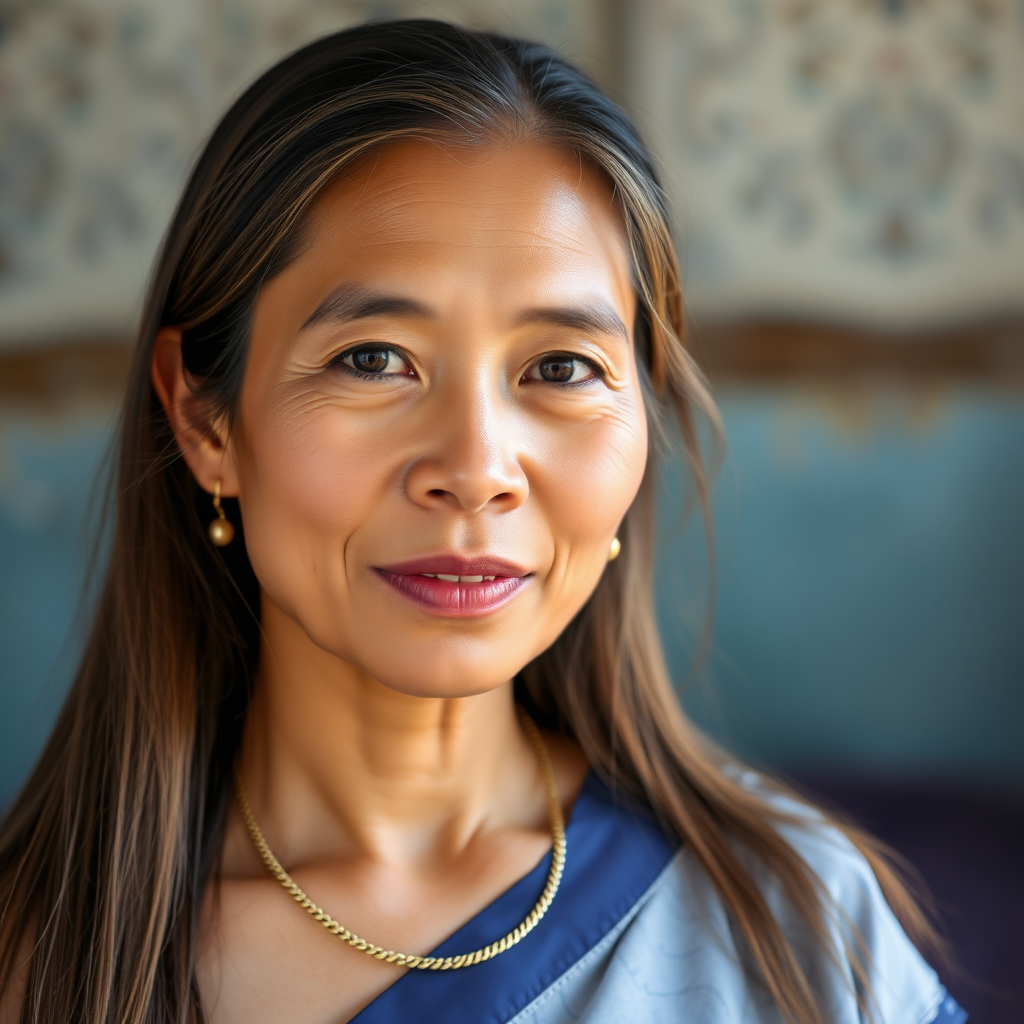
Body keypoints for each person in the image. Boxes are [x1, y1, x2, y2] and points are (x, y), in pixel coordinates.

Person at [0, 20, 965, 1024]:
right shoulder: (37, 965)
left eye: (559, 369)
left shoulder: (798, 929)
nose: (473, 471)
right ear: (205, 418)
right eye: (373, 359)